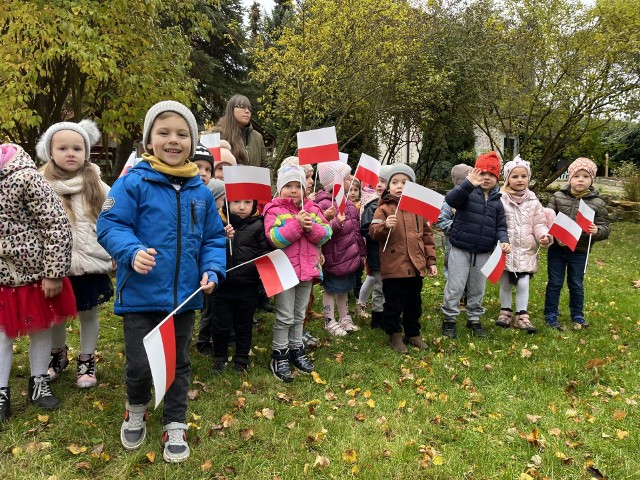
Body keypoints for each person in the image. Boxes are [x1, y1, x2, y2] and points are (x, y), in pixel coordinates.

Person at [97, 100, 226, 463]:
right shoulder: (132, 182)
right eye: (164, 132)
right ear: (149, 140)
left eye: (182, 134)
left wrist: (213, 270)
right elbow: (109, 225)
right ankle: (135, 407)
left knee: (176, 363)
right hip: (139, 296)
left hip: (185, 298)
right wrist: (131, 251)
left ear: (192, 141)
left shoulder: (200, 190)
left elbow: (214, 239)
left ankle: (175, 421)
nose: (173, 140)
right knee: (139, 363)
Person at [0, 144, 76, 421]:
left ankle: (38, 380)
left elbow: (56, 224)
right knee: (2, 334)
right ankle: (1, 390)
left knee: (40, 328)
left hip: (34, 274)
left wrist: (53, 272)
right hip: (1, 278)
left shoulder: (26, 177)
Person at [37, 119, 114, 388]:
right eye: (63, 148)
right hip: (55, 268)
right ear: (50, 152)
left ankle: (87, 359)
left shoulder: (98, 186)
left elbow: (115, 218)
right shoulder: (40, 186)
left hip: (91, 262)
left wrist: (115, 248)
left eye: (77, 148)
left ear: (86, 152)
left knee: (88, 312)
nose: (71, 153)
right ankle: (57, 354)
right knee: (55, 314)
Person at [263, 165, 331, 382]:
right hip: (284, 272)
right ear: (279, 188)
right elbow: (275, 238)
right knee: (284, 315)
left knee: (299, 315)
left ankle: (296, 349)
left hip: (307, 271)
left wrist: (311, 228)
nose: (293, 190)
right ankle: (279, 354)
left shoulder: (313, 209)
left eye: (298, 186)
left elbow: (325, 235)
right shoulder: (273, 209)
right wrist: (297, 225)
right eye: (288, 186)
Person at [440, 152, 511, 338]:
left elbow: (501, 226)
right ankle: (449, 320)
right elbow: (451, 199)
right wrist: (468, 183)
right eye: (483, 173)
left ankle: (474, 319)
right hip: (460, 248)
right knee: (455, 286)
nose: (486, 178)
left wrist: (504, 241)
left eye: (492, 175)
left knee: (478, 288)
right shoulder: (467, 192)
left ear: (497, 179)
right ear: (475, 173)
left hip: (483, 252)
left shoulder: (497, 202)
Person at [369, 164, 437, 353]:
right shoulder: (383, 209)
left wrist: (430, 261)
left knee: (414, 303)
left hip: (415, 266)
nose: (400, 186)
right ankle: (394, 334)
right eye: (395, 182)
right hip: (394, 266)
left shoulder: (418, 210)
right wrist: (384, 226)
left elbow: (427, 237)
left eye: (405, 183)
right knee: (393, 303)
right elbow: (373, 232)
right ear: (388, 186)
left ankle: (413, 333)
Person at [544, 157, 610, 330]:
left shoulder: (597, 203)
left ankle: (577, 315)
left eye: (585, 176)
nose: (580, 179)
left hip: (580, 250)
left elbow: (605, 227)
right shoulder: (558, 197)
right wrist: (550, 234)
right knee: (555, 282)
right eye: (576, 176)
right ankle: (551, 314)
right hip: (557, 248)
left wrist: (597, 231)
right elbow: (547, 219)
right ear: (569, 178)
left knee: (576, 283)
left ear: (592, 180)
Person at [211, 199, 271, 373]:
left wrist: (259, 266)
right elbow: (209, 248)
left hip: (248, 286)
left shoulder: (258, 225)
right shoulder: (218, 223)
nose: (242, 207)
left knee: (244, 325)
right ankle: (219, 357)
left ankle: (241, 358)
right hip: (222, 287)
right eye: (236, 202)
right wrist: (222, 237)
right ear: (227, 203)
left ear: (254, 204)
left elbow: (264, 252)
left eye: (247, 202)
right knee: (220, 325)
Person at [496, 156, 551, 333]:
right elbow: (496, 222)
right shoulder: (500, 200)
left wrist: (543, 235)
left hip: (527, 250)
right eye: (515, 176)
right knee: (505, 282)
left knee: (523, 284)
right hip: (506, 248)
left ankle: (522, 315)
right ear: (507, 179)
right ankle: (505, 312)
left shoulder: (534, 202)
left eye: (523, 176)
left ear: (528, 178)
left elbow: (540, 223)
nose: (520, 180)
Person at [315, 161, 366, 336]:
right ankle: (329, 320)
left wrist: (361, 252)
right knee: (331, 289)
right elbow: (321, 231)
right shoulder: (323, 205)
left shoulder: (349, 204)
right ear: (334, 182)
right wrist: (336, 223)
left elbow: (356, 231)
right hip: (334, 256)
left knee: (345, 288)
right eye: (347, 178)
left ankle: (345, 317)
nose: (351, 181)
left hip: (350, 255)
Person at [357, 165, 393, 327]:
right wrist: (382, 226)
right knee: (379, 287)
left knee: (390, 288)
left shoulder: (397, 207)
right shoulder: (372, 206)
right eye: (376, 181)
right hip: (376, 255)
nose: (379, 185)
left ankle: (389, 314)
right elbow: (365, 229)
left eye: (383, 181)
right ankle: (378, 317)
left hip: (393, 256)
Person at [196, 178, 227, 356]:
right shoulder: (206, 217)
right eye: (223, 198)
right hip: (205, 272)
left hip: (216, 269)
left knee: (216, 308)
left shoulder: (220, 217)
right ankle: (203, 340)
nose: (225, 202)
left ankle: (215, 337)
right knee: (208, 309)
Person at [214, 94, 269, 168]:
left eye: (249, 109)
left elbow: (266, 167)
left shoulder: (257, 137)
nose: (247, 111)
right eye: (242, 107)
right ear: (231, 109)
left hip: (253, 179)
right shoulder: (218, 134)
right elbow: (211, 166)